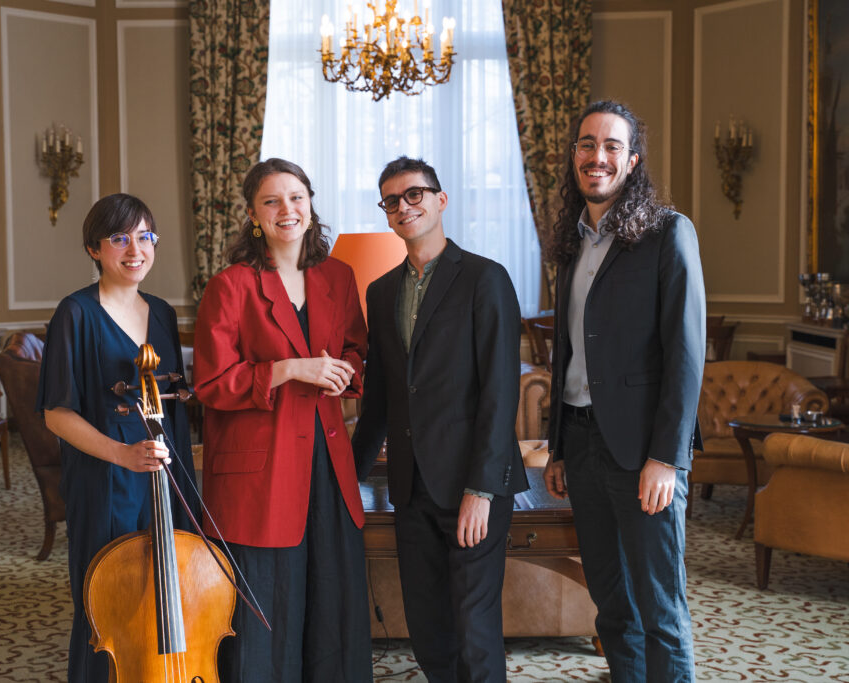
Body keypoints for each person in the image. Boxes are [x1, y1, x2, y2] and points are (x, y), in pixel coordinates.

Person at [542, 100, 705, 682]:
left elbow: (686, 354)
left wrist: (667, 456)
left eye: (612, 146)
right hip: (582, 444)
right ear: (574, 156)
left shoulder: (667, 232)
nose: (598, 156)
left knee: (660, 608)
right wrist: (559, 447)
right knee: (612, 606)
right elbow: (568, 352)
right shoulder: (572, 242)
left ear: (632, 160)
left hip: (643, 453)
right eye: (587, 144)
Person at [192, 158, 373, 682]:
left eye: (296, 197)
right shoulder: (230, 286)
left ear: (310, 204)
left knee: (331, 597)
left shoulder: (338, 277)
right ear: (254, 215)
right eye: (271, 201)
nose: (286, 209)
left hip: (327, 461)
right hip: (260, 469)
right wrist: (290, 368)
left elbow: (357, 351)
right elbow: (210, 383)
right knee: (268, 606)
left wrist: (344, 372)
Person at [351, 156, 525, 682]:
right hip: (411, 489)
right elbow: (380, 400)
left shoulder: (485, 278)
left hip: (472, 485)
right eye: (391, 201)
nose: (403, 206)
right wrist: (347, 478)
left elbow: (500, 392)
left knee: (474, 629)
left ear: (440, 200)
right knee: (427, 628)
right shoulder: (381, 292)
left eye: (414, 194)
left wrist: (481, 490)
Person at [36, 193, 199, 683]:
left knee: (170, 598)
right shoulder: (76, 313)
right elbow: (56, 414)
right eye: (119, 238)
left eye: (145, 237)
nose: (135, 249)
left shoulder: (163, 313)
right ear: (94, 249)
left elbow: (171, 405)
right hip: (106, 479)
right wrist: (122, 454)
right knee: (108, 608)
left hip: (165, 475)